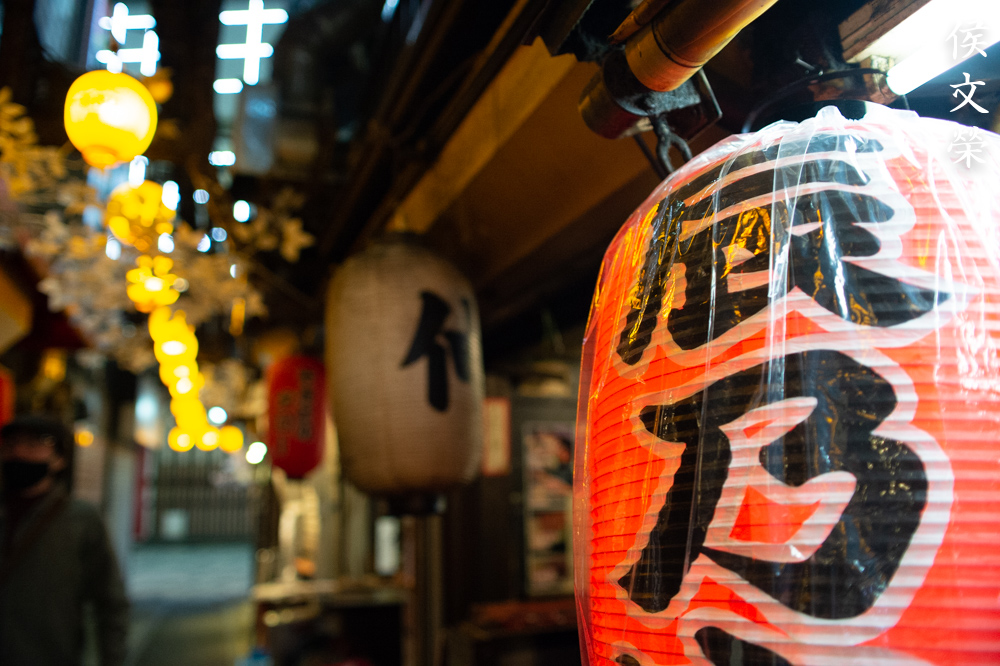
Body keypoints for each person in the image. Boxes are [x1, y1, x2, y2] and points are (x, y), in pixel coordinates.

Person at [0, 415, 128, 665]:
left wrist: (112, 658)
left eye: (33, 445)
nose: (19, 453)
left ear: (59, 459)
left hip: (51, 655)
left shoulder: (80, 519)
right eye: (11, 444)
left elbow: (110, 601)